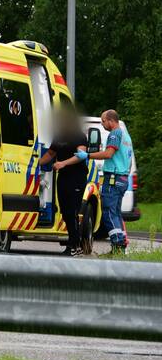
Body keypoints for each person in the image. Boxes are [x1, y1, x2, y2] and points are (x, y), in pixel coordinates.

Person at [39, 109, 88, 256]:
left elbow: (81, 155)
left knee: (72, 211)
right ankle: (74, 244)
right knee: (65, 212)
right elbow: (50, 153)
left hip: (77, 177)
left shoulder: (79, 136)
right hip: (63, 177)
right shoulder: (59, 135)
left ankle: (74, 245)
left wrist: (63, 163)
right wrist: (35, 163)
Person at [84, 109, 134, 254]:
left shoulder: (115, 134)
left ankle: (117, 245)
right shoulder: (126, 136)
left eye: (103, 121)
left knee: (108, 213)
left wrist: (87, 155)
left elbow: (108, 154)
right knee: (116, 213)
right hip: (122, 178)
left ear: (111, 121)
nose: (102, 123)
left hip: (113, 178)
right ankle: (120, 247)